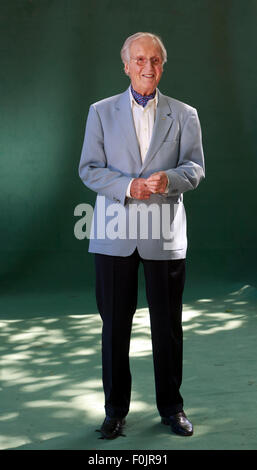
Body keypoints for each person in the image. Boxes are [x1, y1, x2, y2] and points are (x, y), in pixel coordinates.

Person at [79, 32, 205, 439]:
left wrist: (169, 178)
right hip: (113, 232)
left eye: (154, 60)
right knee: (114, 324)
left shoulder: (185, 114)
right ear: (126, 65)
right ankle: (115, 411)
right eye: (139, 60)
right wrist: (126, 186)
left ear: (162, 65)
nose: (147, 67)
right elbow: (89, 168)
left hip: (164, 235)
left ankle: (172, 408)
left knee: (166, 324)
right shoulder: (100, 112)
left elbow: (195, 169)